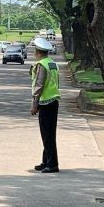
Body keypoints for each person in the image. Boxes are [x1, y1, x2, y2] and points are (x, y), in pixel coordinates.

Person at [30, 37, 61, 173]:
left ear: (38, 52)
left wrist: (34, 104)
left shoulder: (42, 65)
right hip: (53, 100)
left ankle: (52, 163)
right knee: (48, 133)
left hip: (45, 101)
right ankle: (46, 161)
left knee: (47, 134)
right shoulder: (52, 63)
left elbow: (39, 85)